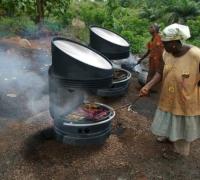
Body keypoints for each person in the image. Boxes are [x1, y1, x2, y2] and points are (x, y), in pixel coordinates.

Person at [139, 23, 200, 158]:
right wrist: (147, 86)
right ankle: (169, 136)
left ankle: (179, 152)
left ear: (174, 42)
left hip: (186, 99)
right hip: (168, 95)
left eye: (164, 43)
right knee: (169, 117)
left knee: (182, 124)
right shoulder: (166, 53)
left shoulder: (195, 54)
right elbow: (159, 72)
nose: (162, 45)